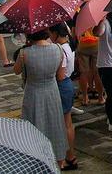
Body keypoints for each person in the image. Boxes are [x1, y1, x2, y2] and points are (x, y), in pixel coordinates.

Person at [14, 29, 69, 167]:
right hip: (52, 92)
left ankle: (36, 158)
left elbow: (16, 70)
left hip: (33, 93)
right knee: (55, 124)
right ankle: (58, 160)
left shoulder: (24, 53)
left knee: (34, 125)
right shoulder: (58, 49)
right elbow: (60, 74)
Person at [49, 23, 78, 170]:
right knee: (68, 123)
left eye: (50, 33)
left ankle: (69, 156)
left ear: (55, 33)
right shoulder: (69, 45)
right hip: (68, 84)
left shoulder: (60, 49)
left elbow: (59, 75)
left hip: (62, 85)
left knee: (64, 124)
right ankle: (70, 156)